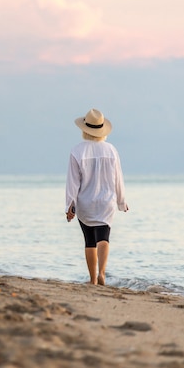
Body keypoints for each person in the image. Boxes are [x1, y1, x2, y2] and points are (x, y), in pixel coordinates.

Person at [65, 108, 129, 286]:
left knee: (89, 240)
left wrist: (70, 206)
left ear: (84, 129)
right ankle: (102, 273)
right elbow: (118, 177)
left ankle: (92, 279)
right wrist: (122, 202)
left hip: (85, 203)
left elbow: (73, 182)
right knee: (104, 236)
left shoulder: (77, 151)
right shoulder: (111, 150)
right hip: (106, 201)